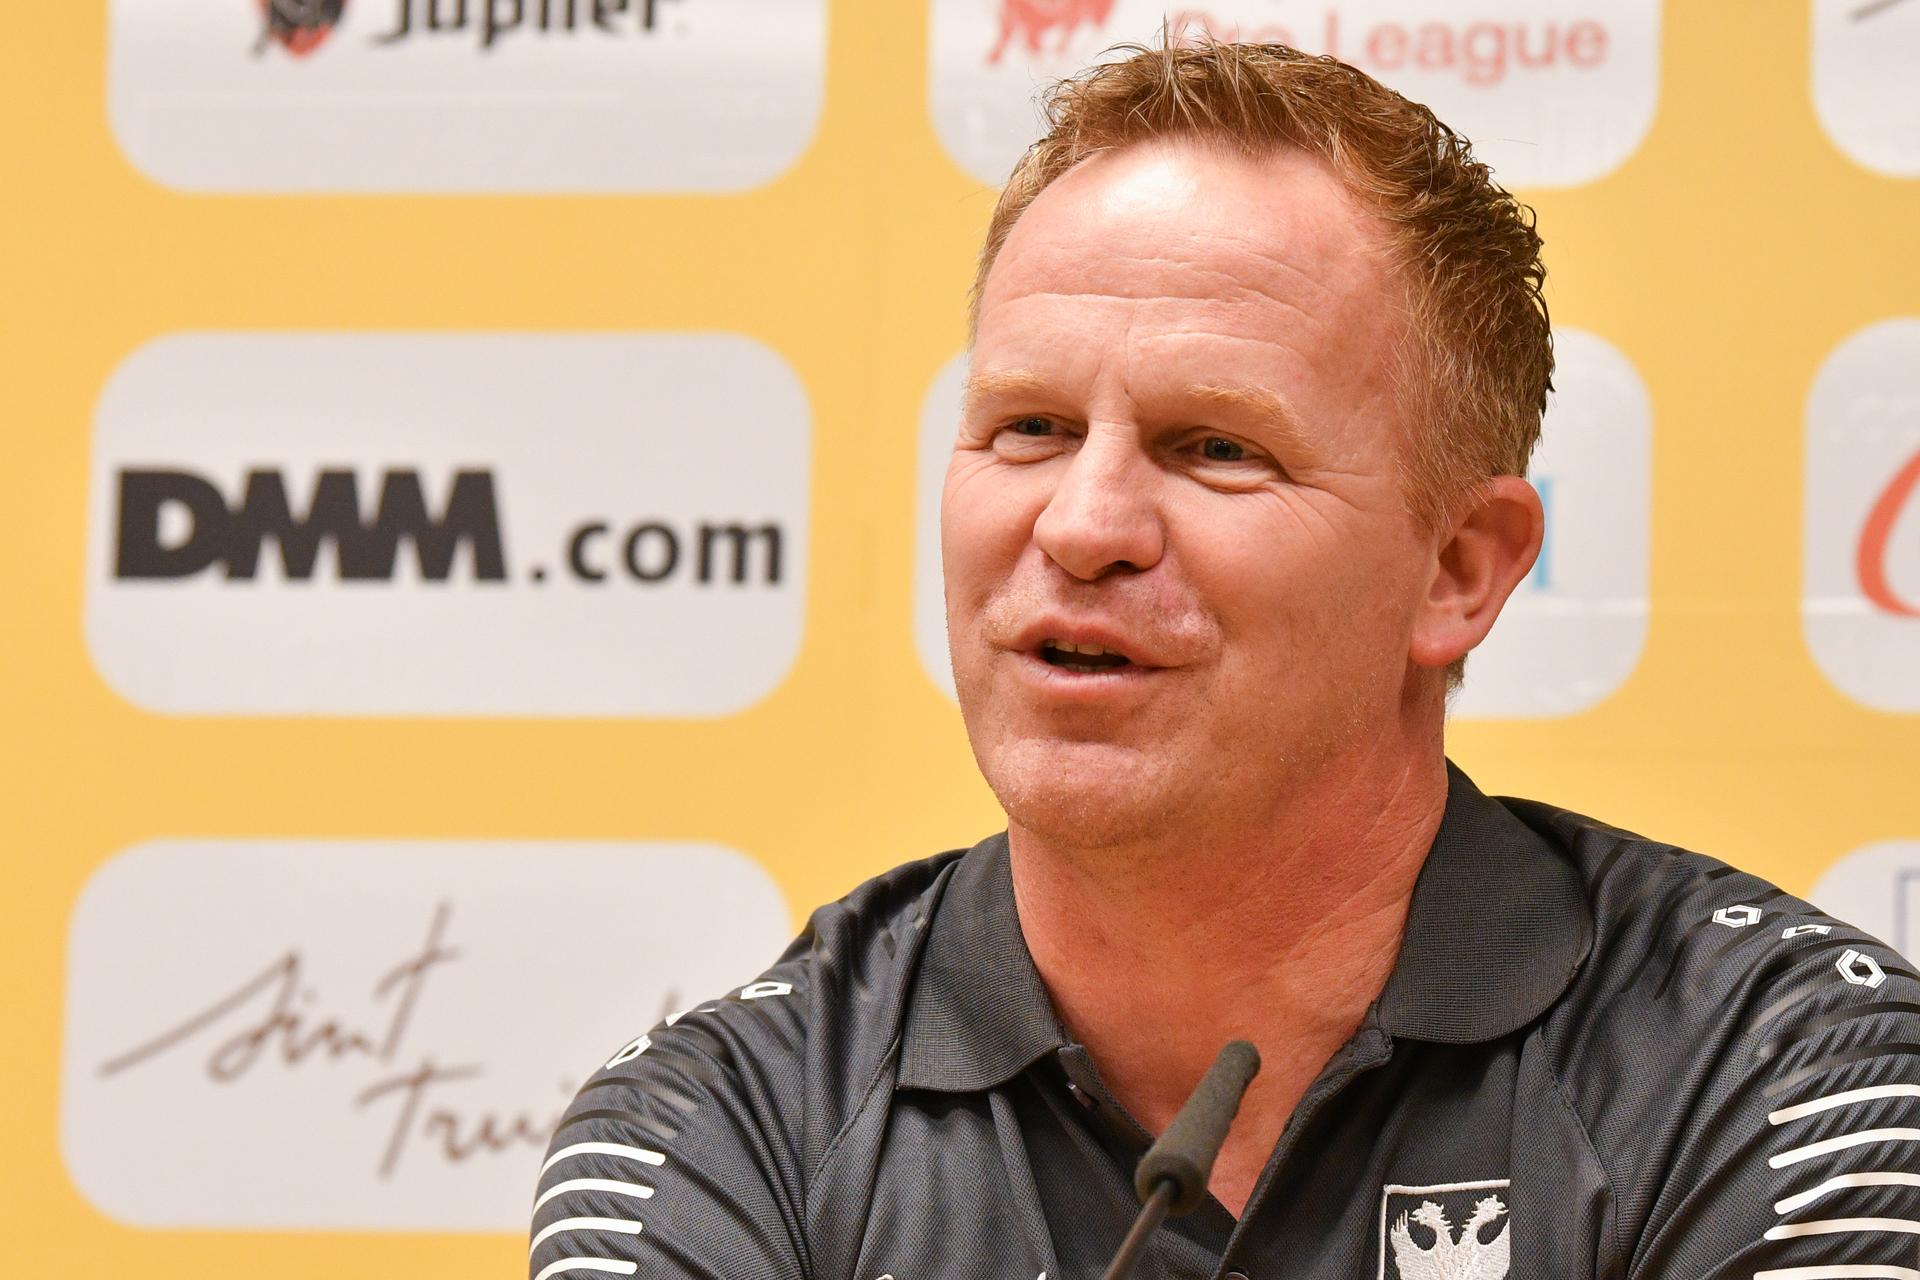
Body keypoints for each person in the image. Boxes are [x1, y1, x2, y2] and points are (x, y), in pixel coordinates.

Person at [529, 40, 1920, 1280]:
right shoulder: (714, 1136)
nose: (1083, 527)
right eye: (1029, 428)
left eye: (1216, 447)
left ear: (1458, 569)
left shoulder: (1791, 1078)